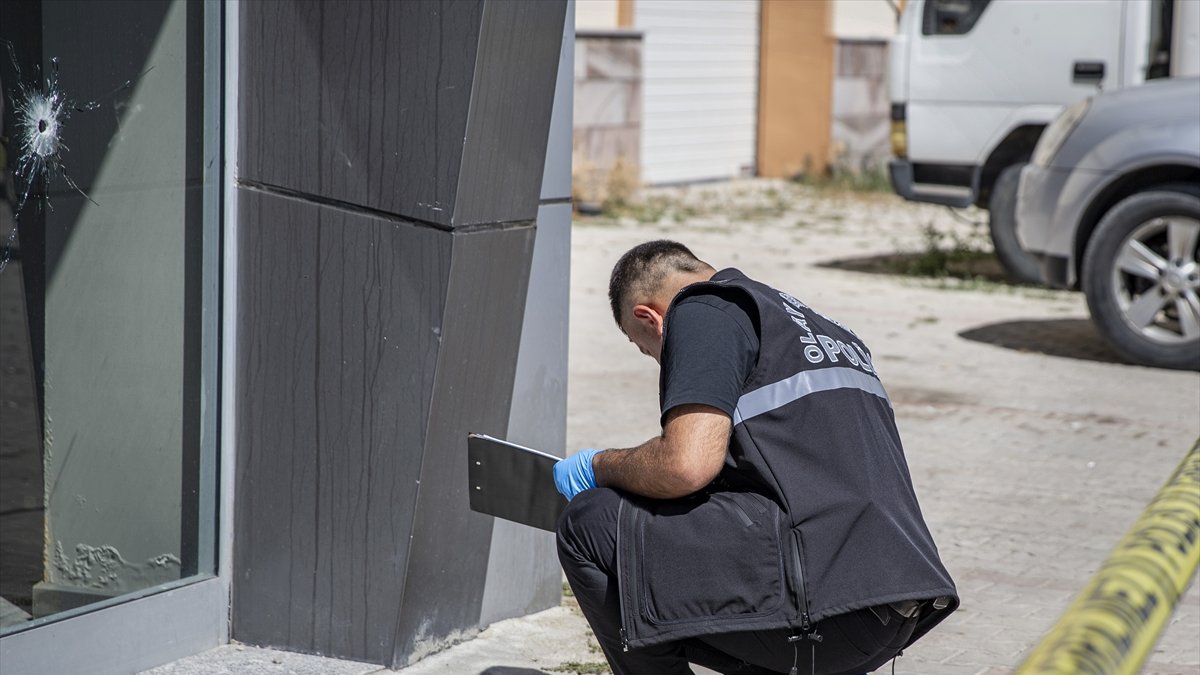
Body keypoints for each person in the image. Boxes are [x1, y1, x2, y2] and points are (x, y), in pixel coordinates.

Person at [553, 240, 958, 675]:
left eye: (646, 348)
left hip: (828, 606)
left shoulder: (703, 309)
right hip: (892, 604)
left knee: (591, 524)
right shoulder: (818, 328)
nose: (659, 360)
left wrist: (599, 466)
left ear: (648, 317)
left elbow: (685, 465)